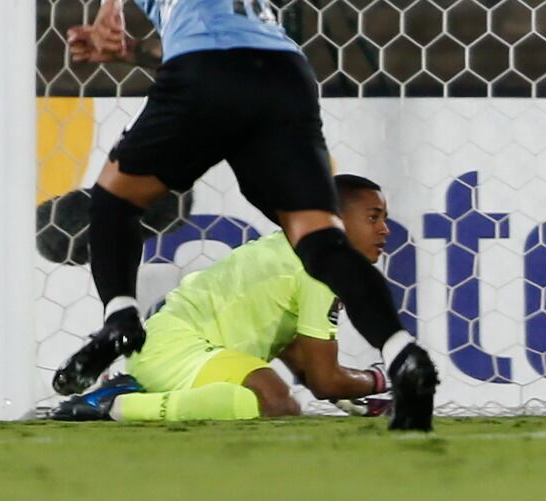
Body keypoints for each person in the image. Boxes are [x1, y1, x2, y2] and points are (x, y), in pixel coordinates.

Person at [53, 0, 436, 431]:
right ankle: (403, 356)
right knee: (319, 241)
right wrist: (143, 53)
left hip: (207, 72)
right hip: (284, 73)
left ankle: (122, 319)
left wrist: (110, 5)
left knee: (115, 202)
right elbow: (225, 34)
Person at [52, 175, 396, 422]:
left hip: (169, 349)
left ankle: (135, 391)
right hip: (179, 348)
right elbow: (323, 380)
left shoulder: (296, 248)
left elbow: (299, 356)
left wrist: (355, 396)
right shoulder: (323, 269)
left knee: (255, 400)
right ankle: (120, 405)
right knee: (276, 403)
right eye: (373, 218)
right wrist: (384, 377)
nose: (385, 230)